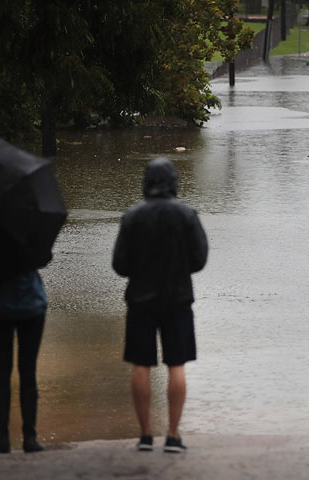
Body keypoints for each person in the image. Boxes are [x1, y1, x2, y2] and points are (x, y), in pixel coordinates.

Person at [112, 157, 208, 453]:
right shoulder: (187, 215)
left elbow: (120, 265)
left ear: (147, 182)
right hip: (178, 300)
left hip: (140, 300)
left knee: (141, 365)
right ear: (174, 182)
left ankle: (144, 436)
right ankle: (173, 435)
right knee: (176, 365)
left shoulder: (132, 216)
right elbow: (199, 259)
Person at [0, 271, 47, 454]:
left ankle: (2, 440)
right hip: (31, 304)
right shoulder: (31, 242)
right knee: (28, 371)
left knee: (1, 372)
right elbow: (45, 257)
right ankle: (30, 438)